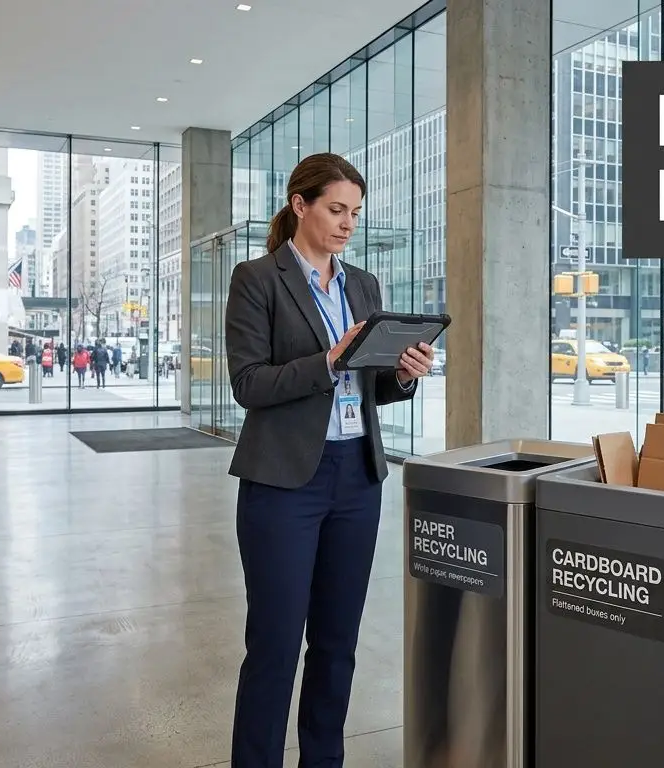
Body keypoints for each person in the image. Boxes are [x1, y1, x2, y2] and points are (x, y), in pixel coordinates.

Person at [224, 152, 433, 768]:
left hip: (357, 478)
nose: (347, 224)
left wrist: (404, 374)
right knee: (276, 645)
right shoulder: (257, 279)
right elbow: (249, 385)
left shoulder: (363, 285)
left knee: (337, 645)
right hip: (285, 483)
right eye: (336, 210)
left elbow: (371, 384)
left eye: (355, 214)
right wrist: (329, 361)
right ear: (299, 206)